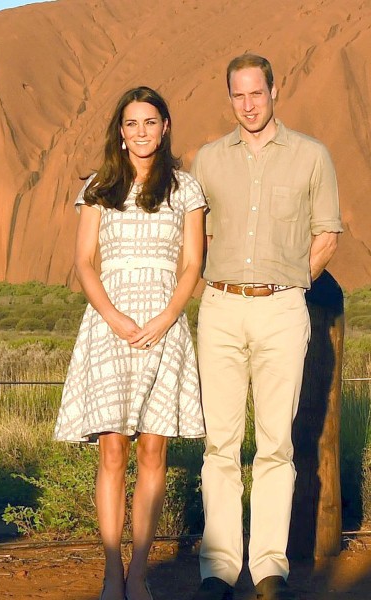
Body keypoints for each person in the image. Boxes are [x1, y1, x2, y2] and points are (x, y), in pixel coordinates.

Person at [189, 54, 342, 600]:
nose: (248, 105)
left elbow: (327, 232)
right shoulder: (207, 160)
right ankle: (220, 569)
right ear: (229, 97)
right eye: (238, 96)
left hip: (282, 308)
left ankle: (268, 567)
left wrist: (291, 283)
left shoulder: (311, 156)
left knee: (276, 444)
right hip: (222, 308)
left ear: (274, 90)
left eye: (257, 93)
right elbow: (194, 236)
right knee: (220, 444)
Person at [54, 86, 206, 600]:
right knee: (113, 451)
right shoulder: (99, 187)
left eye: (150, 121)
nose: (140, 131)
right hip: (108, 326)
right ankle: (111, 570)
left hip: (164, 325)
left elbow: (192, 265)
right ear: (120, 132)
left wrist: (166, 317)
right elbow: (83, 262)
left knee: (154, 450)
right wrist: (115, 317)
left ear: (165, 127)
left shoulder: (186, 189)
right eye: (131, 123)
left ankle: (139, 571)